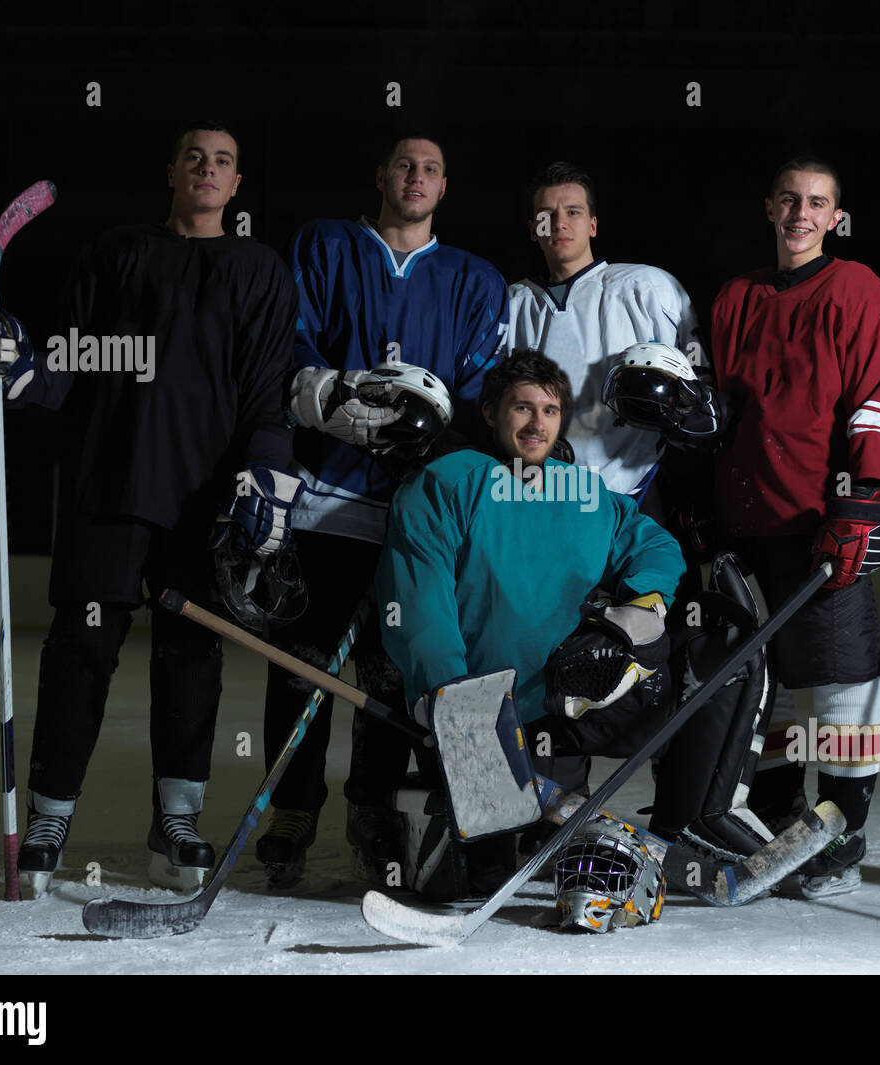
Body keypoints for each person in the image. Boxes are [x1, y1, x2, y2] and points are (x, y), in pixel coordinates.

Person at [0, 121, 299, 894]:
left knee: (191, 658)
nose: (207, 170)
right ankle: (51, 813)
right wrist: (16, 367)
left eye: (223, 161)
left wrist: (266, 475)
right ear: (172, 171)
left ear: (237, 184)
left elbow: (265, 394)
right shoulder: (115, 254)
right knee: (80, 655)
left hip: (204, 506)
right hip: (107, 492)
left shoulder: (257, 270)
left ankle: (176, 819)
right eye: (194, 157)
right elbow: (71, 367)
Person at [259, 135, 509, 887]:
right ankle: (291, 806)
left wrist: (435, 438)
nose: (417, 176)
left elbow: (482, 389)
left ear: (444, 186)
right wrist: (334, 403)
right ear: (380, 175)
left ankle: (370, 805)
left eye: (432, 167)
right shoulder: (324, 245)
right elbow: (290, 344)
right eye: (405, 164)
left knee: (389, 675)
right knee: (302, 665)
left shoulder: (476, 279)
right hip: (327, 504)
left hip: (415, 514)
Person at [374, 349, 686, 909]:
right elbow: (419, 605)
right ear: (492, 413)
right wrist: (451, 700)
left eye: (550, 410)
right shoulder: (444, 485)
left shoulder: (583, 492)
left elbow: (655, 544)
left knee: (563, 864)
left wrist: (640, 605)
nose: (537, 424)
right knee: (478, 876)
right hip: (476, 707)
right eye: (522, 408)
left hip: (562, 705)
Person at [708, 157, 880, 897]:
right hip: (750, 523)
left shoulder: (855, 288)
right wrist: (706, 504)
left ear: (834, 217)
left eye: (817, 202)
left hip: (825, 523)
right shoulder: (735, 297)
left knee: (844, 681)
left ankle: (842, 831)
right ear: (769, 207)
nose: (800, 212)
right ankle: (786, 822)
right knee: (766, 689)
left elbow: (876, 396)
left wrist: (863, 501)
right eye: (789, 198)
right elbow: (722, 414)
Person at [503, 161, 709, 501]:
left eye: (573, 211)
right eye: (546, 215)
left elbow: (699, 375)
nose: (559, 223)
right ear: (532, 229)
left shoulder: (647, 287)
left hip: (636, 485)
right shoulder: (510, 303)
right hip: (541, 490)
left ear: (593, 225)